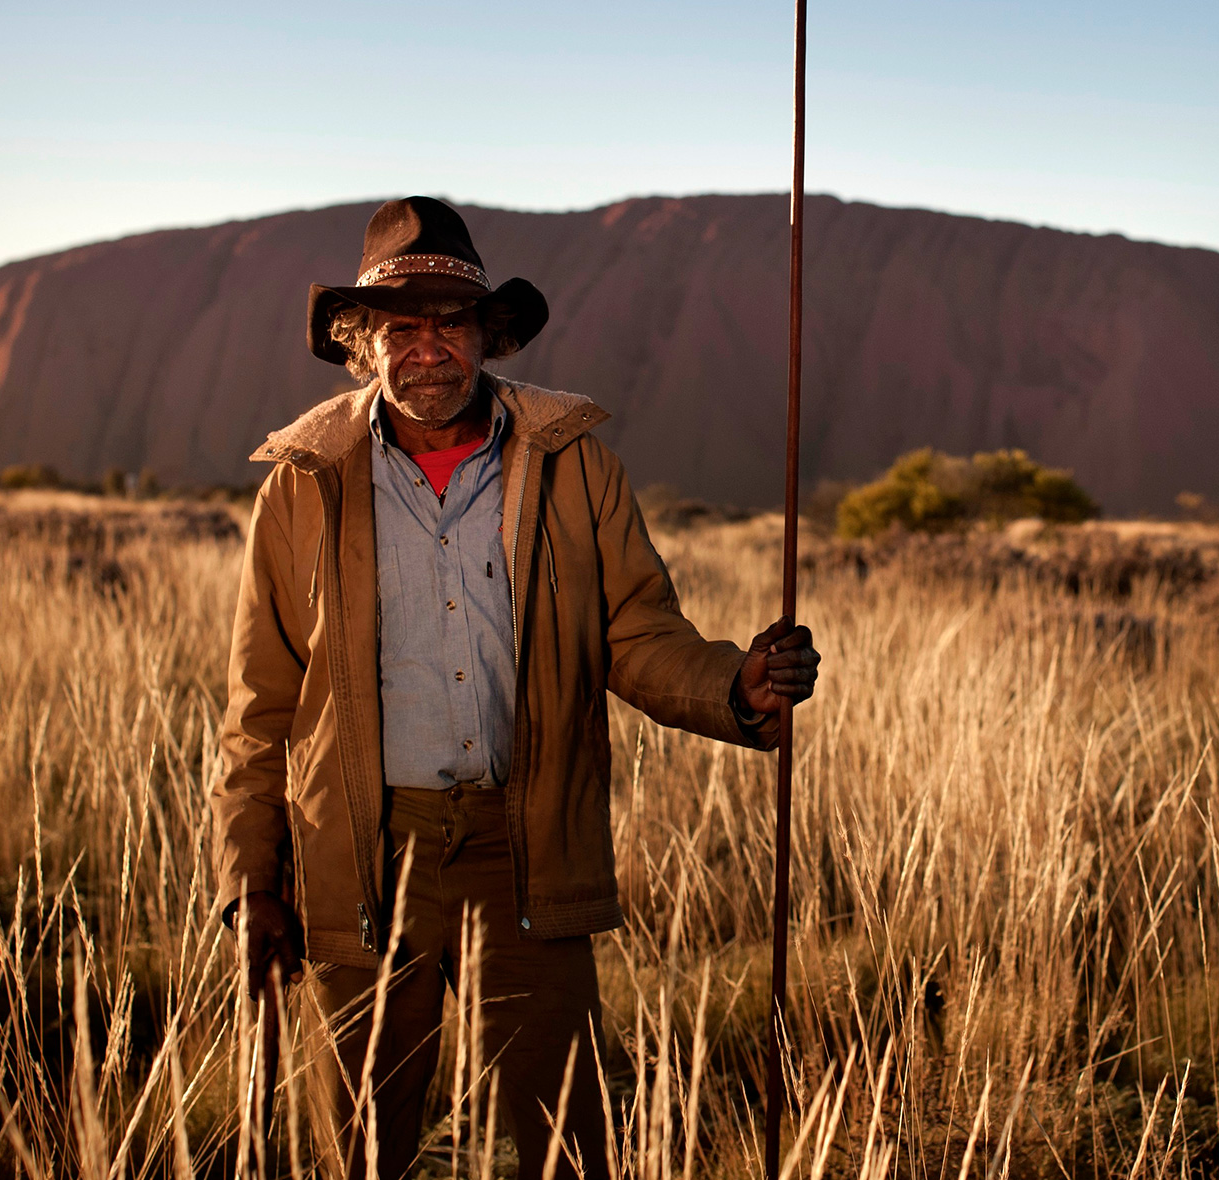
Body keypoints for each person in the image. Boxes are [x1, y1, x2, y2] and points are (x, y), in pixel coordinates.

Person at [212, 196, 819, 1180]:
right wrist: (250, 878)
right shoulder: (304, 484)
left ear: (487, 337)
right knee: (360, 1142)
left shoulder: (571, 465)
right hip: (365, 854)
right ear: (361, 345)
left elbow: (634, 632)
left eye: (449, 323)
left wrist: (735, 686)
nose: (426, 349)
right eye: (398, 327)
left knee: (565, 1143)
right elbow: (260, 706)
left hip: (524, 845)